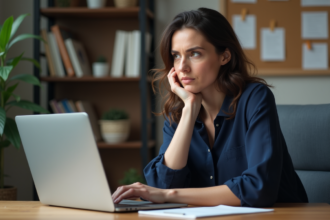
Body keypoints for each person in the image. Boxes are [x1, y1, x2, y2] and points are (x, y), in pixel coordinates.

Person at [112, 7, 308, 207]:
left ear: (224, 56)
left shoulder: (255, 98)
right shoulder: (178, 112)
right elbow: (164, 183)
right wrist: (189, 111)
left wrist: (169, 195)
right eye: (176, 56)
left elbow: (259, 189)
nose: (182, 67)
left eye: (195, 54)